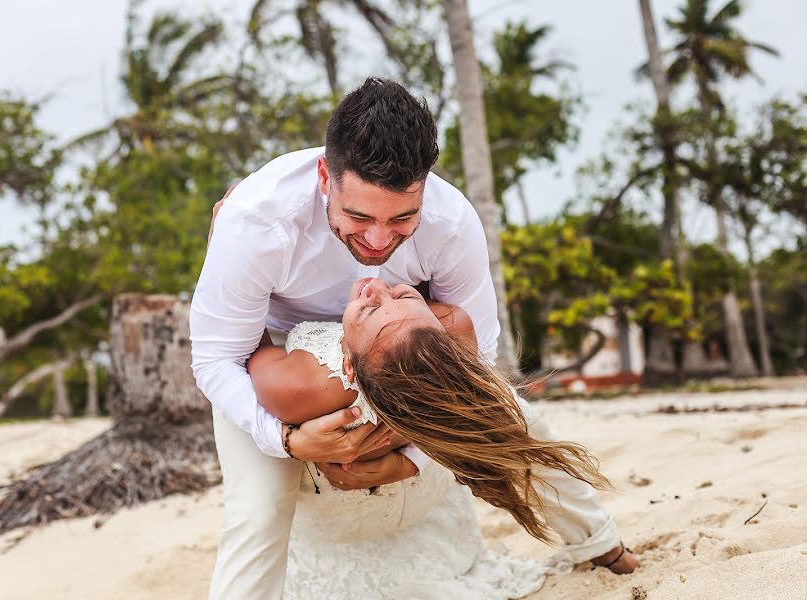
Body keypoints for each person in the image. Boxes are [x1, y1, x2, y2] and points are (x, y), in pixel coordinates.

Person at [189, 77, 636, 600]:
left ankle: (600, 544)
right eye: (358, 217)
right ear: (324, 175)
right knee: (258, 510)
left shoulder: (451, 223)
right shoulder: (256, 221)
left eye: (402, 218)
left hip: (411, 342)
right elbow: (219, 358)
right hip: (290, 354)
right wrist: (285, 439)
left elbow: (478, 365)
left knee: (516, 419)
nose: (378, 242)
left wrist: (415, 454)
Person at [243, 277, 634, 597]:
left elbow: (246, 337)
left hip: (399, 489)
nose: (378, 287)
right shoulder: (451, 325)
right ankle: (602, 543)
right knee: (513, 417)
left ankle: (598, 539)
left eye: (395, 297)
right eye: (384, 302)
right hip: (364, 498)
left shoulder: (296, 386)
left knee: (510, 415)